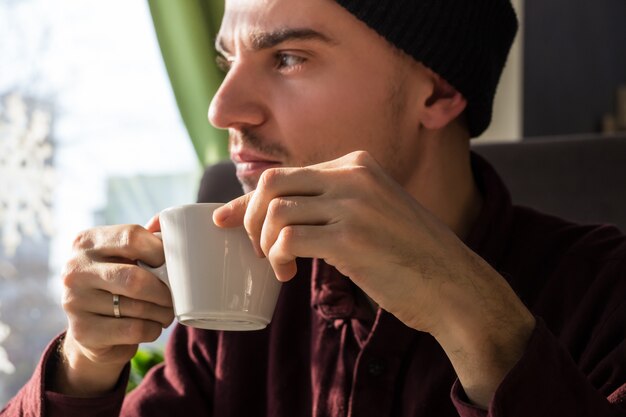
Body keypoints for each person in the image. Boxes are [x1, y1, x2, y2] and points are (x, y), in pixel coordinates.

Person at [2, 0, 626, 415]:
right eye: (227, 61)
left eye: (289, 58)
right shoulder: (239, 300)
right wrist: (84, 367)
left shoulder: (604, 291)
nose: (221, 109)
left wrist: (473, 318)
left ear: (437, 90)